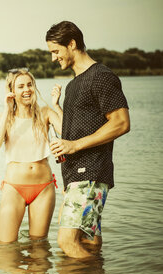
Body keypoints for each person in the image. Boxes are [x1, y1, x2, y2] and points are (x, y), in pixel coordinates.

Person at [45, 21, 130, 258]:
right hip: (77, 176)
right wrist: (65, 144)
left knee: (67, 242)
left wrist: (74, 145)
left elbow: (121, 123)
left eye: (56, 51)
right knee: (88, 242)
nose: (53, 58)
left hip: (90, 174)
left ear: (72, 44)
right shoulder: (73, 85)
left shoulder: (101, 77)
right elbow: (75, 131)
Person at [0, 68, 63, 243]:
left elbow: (68, 133)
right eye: (21, 86)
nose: (27, 90)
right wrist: (7, 109)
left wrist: (56, 106)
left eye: (30, 85)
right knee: (6, 246)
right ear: (12, 91)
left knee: (39, 247)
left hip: (43, 188)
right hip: (14, 188)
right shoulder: (3, 117)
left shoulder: (45, 113)